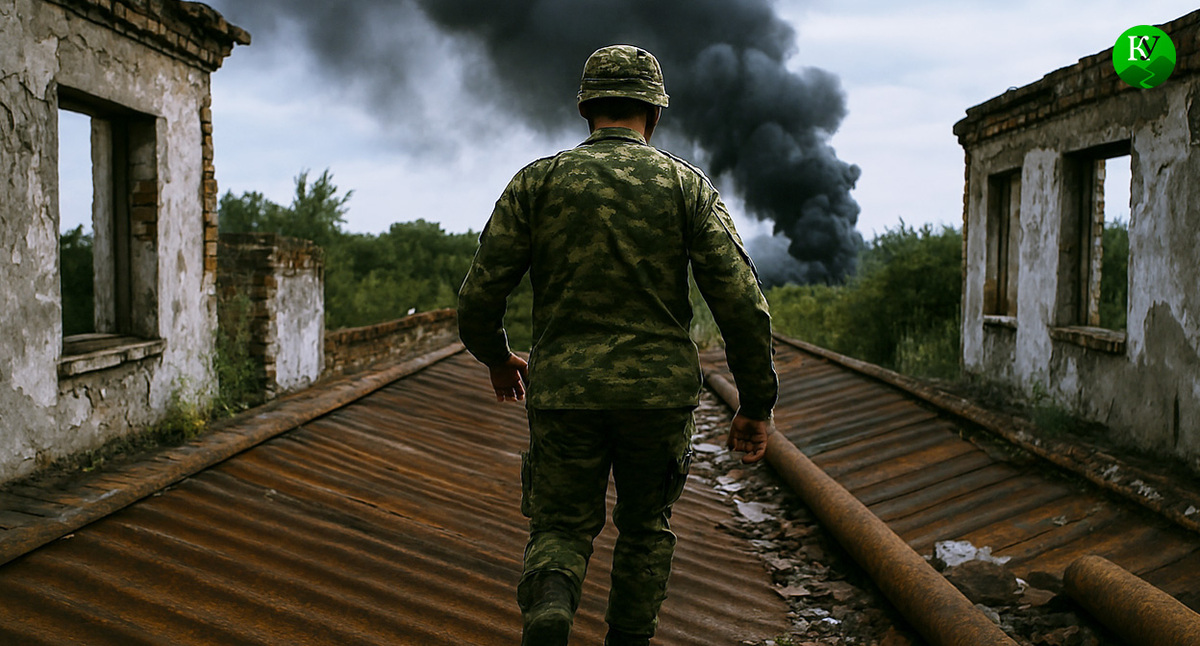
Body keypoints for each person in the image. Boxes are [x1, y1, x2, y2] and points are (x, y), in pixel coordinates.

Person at [457, 44, 778, 646]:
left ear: (587, 110)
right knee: (645, 527)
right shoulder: (686, 186)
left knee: (559, 525)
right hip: (658, 398)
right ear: (653, 114)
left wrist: (497, 357)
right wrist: (755, 403)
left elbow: (478, 295)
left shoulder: (537, 182)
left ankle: (551, 610)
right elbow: (742, 305)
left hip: (565, 393)